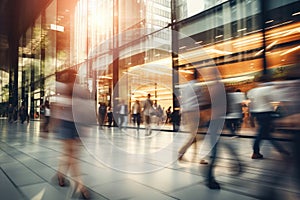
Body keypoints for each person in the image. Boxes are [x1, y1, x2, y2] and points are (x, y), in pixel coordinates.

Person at [51, 69, 90, 199]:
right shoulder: (63, 89)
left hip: (76, 125)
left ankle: (60, 175)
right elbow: (56, 107)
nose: (73, 78)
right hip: (66, 124)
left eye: (74, 76)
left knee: (69, 154)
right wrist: (53, 124)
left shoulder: (79, 90)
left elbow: (86, 107)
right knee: (72, 155)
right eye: (71, 76)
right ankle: (80, 185)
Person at [247, 78, 290, 159]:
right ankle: (255, 152)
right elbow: (276, 99)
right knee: (261, 134)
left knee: (266, 134)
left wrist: (251, 117)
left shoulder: (253, 91)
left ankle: (281, 150)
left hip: (258, 114)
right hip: (266, 114)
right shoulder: (267, 89)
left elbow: (251, 105)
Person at [178, 70, 209, 164]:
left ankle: (194, 157)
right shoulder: (197, 85)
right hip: (194, 112)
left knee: (196, 136)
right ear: (198, 75)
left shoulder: (187, 87)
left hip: (187, 112)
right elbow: (201, 99)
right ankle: (182, 153)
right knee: (198, 136)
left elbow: (183, 100)